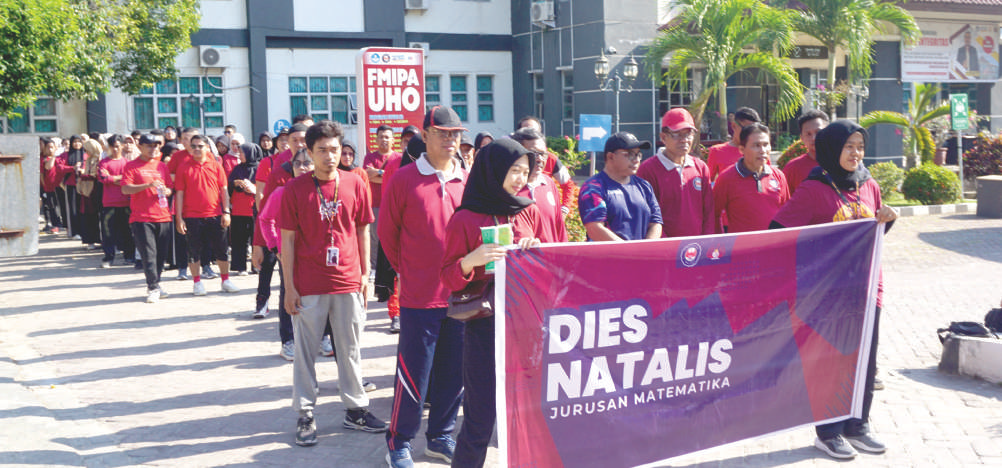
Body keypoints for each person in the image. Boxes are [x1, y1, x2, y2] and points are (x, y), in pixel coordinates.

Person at [771, 120, 898, 460]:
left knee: (865, 360)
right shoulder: (814, 189)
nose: (856, 153)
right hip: (827, 294)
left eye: (860, 146)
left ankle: (859, 425)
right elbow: (777, 231)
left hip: (868, 287)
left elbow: (872, 232)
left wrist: (889, 218)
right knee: (830, 361)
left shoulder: (869, 184)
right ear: (832, 149)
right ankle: (828, 432)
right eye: (848, 146)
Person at [279, 120, 387, 447]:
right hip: (308, 283)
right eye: (322, 150)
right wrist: (289, 288)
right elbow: (287, 241)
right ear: (309, 152)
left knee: (350, 349)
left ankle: (355, 409)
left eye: (335, 150)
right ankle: (305, 412)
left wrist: (366, 275)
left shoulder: (356, 182)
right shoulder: (295, 189)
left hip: (349, 280)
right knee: (306, 352)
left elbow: (363, 230)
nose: (329, 156)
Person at [441, 139, 544, 467]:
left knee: (529, 414)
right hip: (485, 325)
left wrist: (537, 249)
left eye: (525, 172)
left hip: (527, 324)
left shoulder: (529, 210)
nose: (519, 179)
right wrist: (471, 260)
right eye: (513, 170)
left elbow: (554, 262)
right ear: (493, 170)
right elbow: (448, 277)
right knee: (480, 416)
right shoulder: (466, 219)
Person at [379, 106, 468, 467]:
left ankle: (440, 436)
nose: (451, 140)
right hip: (419, 296)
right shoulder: (404, 179)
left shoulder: (468, 178)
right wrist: (410, 271)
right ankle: (399, 441)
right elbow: (388, 234)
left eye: (456, 134)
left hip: (462, 294)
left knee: (454, 371)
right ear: (426, 135)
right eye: (443, 133)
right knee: (414, 372)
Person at [174, 135, 240, 296]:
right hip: (191, 216)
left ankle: (225, 280)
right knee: (194, 251)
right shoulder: (183, 167)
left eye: (200, 146)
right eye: (194, 146)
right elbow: (179, 194)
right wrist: (179, 217)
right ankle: (197, 283)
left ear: (207, 148)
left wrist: (226, 211)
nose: (197, 149)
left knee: (222, 250)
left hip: (216, 214)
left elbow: (223, 190)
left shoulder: (216, 165)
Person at [637, 108, 714, 238]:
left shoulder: (701, 167)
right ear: (663, 137)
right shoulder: (648, 169)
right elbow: (647, 215)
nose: (684, 140)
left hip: (698, 248)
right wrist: (668, 246)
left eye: (688, 134)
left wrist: (706, 242)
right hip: (665, 249)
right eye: (677, 134)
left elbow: (709, 211)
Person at [578, 132, 662, 241]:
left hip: (641, 256)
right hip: (607, 257)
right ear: (610, 156)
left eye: (638, 154)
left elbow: (656, 222)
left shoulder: (644, 186)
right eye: (629, 154)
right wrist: (628, 253)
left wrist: (645, 250)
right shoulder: (593, 187)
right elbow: (595, 228)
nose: (636, 160)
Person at [121, 134, 173, 303]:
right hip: (141, 217)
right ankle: (152, 287)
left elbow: (170, 188)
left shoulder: (161, 166)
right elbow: (126, 189)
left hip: (163, 216)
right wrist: (148, 185)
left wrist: (166, 191)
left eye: (156, 146)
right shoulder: (131, 166)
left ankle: (156, 283)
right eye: (149, 146)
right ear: (140, 146)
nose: (153, 149)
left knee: (161, 255)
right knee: (148, 254)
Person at [712, 124, 790, 233]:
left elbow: (785, 213)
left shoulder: (778, 176)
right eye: (756, 145)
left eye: (766, 145)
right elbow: (714, 214)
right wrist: (722, 241)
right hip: (741, 247)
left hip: (773, 245)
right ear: (742, 149)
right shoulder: (726, 178)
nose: (762, 150)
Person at [511, 129, 568, 243]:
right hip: (522, 258)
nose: (540, 159)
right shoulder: (510, 188)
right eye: (534, 154)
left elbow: (559, 227)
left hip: (551, 258)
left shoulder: (549, 183)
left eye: (543, 154)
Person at [363, 124, 401, 277]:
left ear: (393, 140)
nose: (384, 140)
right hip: (376, 204)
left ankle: (394, 267)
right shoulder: (370, 157)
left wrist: (378, 175)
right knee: (374, 236)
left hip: (394, 204)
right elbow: (367, 174)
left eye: (387, 137)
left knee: (393, 237)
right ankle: (373, 267)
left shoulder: (398, 157)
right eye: (381, 137)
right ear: (376, 140)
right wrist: (384, 173)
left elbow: (396, 179)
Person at [97, 135, 136, 267]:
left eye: (118, 146)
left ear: (122, 146)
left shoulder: (127, 163)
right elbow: (103, 178)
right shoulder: (104, 162)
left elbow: (129, 180)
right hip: (109, 202)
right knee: (108, 231)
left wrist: (112, 178)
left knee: (127, 230)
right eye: (112, 146)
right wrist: (120, 178)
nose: (115, 149)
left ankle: (129, 256)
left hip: (125, 201)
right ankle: (108, 257)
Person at [228, 142, 261, 276]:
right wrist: (235, 183)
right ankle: (240, 266)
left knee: (256, 239)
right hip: (239, 209)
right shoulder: (237, 169)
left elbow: (265, 186)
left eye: (242, 153)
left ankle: (256, 265)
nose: (239, 155)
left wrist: (252, 187)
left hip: (255, 208)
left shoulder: (260, 167)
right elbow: (229, 184)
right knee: (239, 239)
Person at [707, 107, 762, 182]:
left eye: (754, 130)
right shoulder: (717, 151)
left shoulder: (761, 151)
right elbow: (708, 184)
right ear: (733, 126)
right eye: (746, 129)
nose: (750, 133)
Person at [784, 110, 830, 194]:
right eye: (808, 134)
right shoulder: (793, 168)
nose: (814, 138)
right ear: (802, 138)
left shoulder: (841, 163)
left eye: (818, 132)